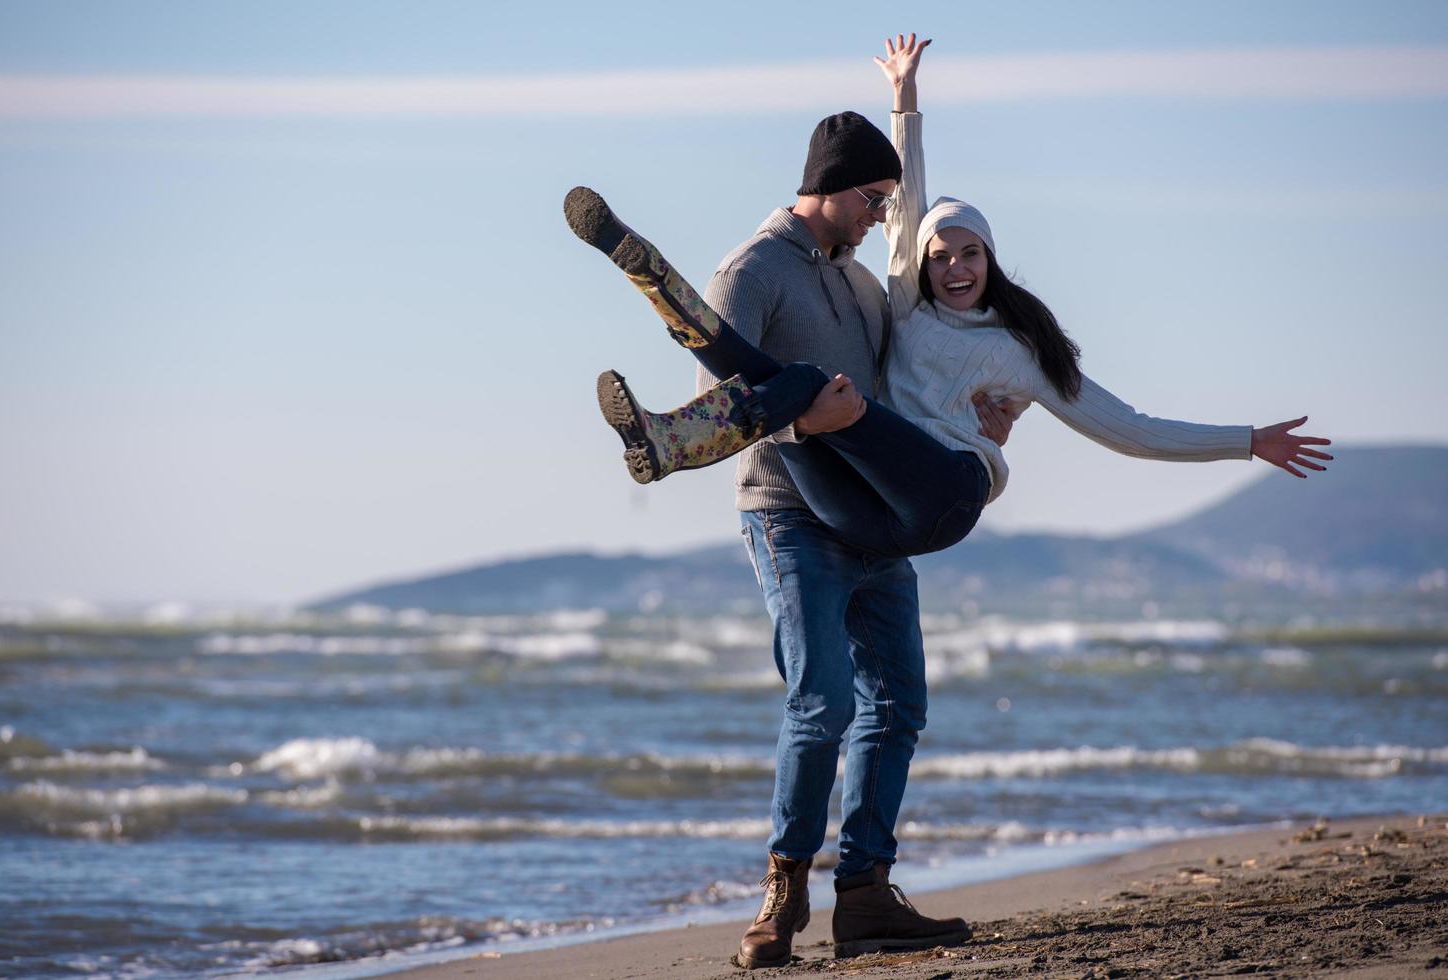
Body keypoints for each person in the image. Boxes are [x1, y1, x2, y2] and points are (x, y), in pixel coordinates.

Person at [565, 35, 1330, 970]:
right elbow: (890, 226)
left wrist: (1244, 439)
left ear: (989, 259)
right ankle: (814, 899)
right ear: (899, 243)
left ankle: (864, 887)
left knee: (884, 680)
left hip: (920, 497)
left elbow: (1125, 424)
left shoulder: (957, 323)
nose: (946, 258)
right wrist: (906, 103)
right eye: (928, 243)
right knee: (836, 690)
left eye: (970, 252)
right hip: (816, 504)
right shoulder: (828, 280)